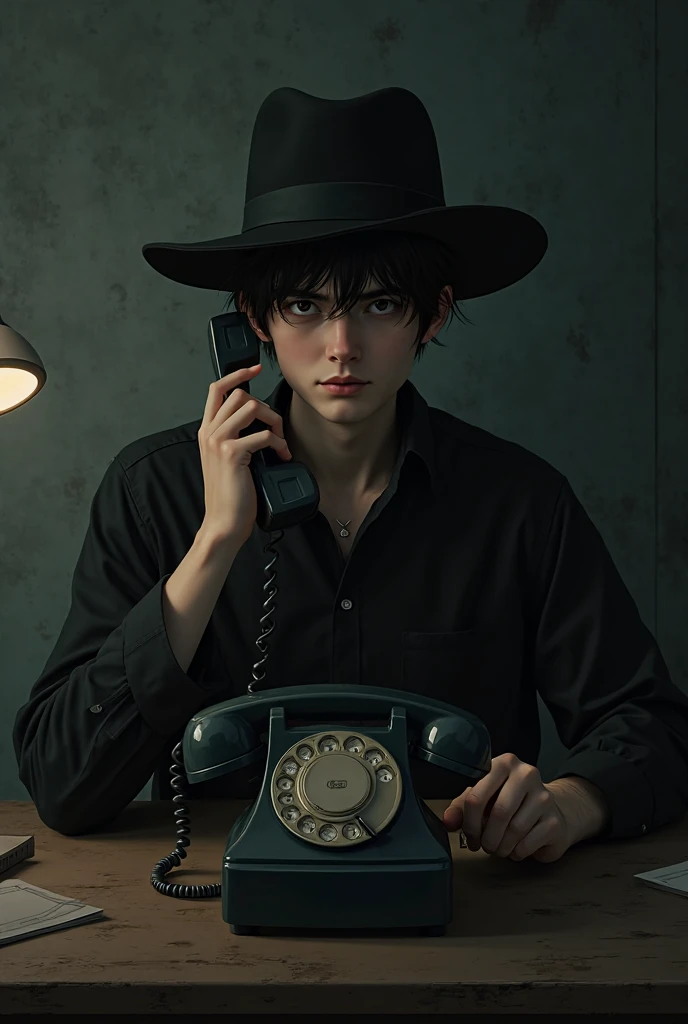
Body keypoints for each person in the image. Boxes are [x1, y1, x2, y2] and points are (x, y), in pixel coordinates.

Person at [13, 88, 688, 864]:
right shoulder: (152, 492)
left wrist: (572, 803)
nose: (341, 345)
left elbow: (659, 728)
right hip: (216, 926)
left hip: (470, 908)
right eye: (303, 305)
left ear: (432, 316)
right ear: (251, 321)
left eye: (379, 305)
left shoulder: (520, 503)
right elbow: (62, 783)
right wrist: (216, 543)